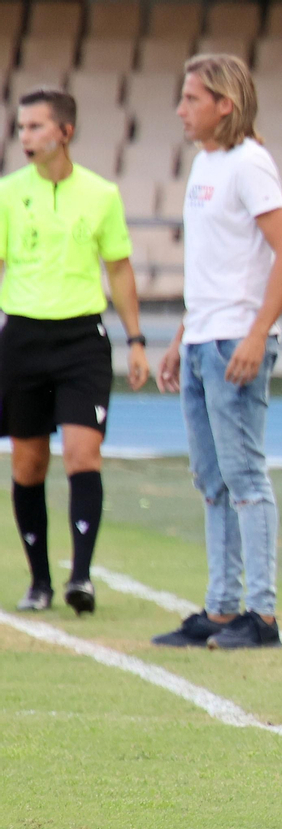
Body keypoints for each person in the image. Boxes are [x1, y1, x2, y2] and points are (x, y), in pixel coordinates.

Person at [152, 54, 282, 650]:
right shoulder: (203, 163)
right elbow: (211, 266)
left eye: (192, 98)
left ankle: (261, 615)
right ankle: (220, 608)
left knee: (245, 477)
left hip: (236, 341)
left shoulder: (250, 164)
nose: (181, 110)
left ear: (225, 104)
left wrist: (256, 332)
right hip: (201, 338)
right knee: (211, 480)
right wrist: (180, 337)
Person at [0, 88, 147, 614]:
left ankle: (81, 576)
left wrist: (136, 339)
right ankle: (39, 581)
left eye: (36, 127)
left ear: (65, 132)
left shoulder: (101, 194)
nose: (25, 137)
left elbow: (120, 268)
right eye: (20, 128)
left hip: (82, 339)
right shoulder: (8, 193)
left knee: (85, 452)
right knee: (28, 463)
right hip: (22, 339)